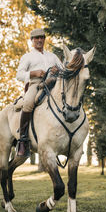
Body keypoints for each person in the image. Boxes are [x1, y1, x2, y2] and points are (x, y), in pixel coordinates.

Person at [16, 28, 62, 157]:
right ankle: (23, 140)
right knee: (28, 103)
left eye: (42, 37)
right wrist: (33, 73)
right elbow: (19, 75)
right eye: (36, 38)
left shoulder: (52, 56)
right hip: (36, 84)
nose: (40, 40)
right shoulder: (27, 57)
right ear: (32, 40)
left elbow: (62, 69)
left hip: (53, 84)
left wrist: (56, 69)